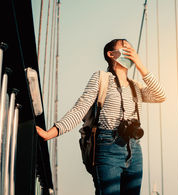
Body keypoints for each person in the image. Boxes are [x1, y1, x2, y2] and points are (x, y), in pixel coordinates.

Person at [36, 39, 166, 195]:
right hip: (107, 145)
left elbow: (160, 96)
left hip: (134, 148)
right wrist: (50, 133)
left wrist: (140, 65)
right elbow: (80, 108)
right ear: (111, 54)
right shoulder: (102, 78)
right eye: (125, 48)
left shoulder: (135, 86)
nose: (130, 51)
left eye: (131, 49)